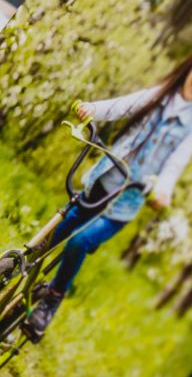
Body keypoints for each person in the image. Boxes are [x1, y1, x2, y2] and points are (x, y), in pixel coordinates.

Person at [27, 53, 192, 338]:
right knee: (55, 235)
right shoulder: (160, 95)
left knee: (79, 241)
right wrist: (91, 109)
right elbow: (121, 106)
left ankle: (52, 298)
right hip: (102, 184)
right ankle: (14, 289)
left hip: (125, 202)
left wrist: (162, 191)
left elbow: (175, 163)